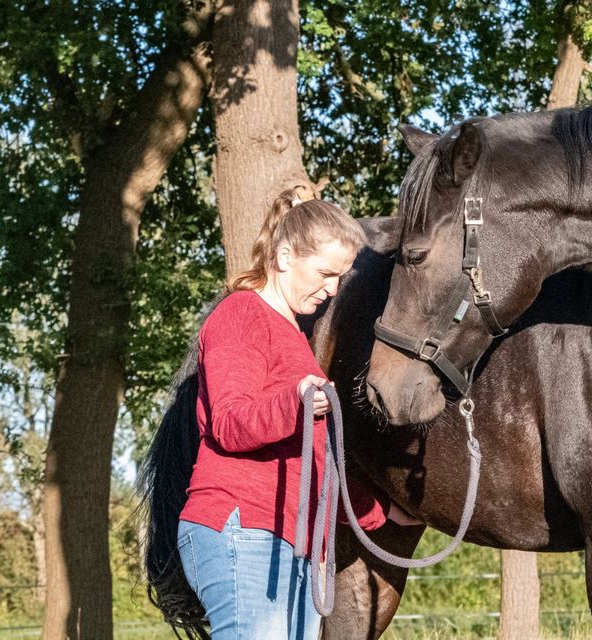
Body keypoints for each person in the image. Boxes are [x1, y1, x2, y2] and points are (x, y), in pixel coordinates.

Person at [176, 188, 419, 640]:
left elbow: (313, 467)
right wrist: (295, 401)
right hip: (243, 530)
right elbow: (229, 423)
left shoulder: (295, 341)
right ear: (285, 256)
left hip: (291, 542)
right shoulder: (241, 315)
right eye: (325, 273)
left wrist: (380, 512)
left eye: (339, 278)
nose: (331, 289)